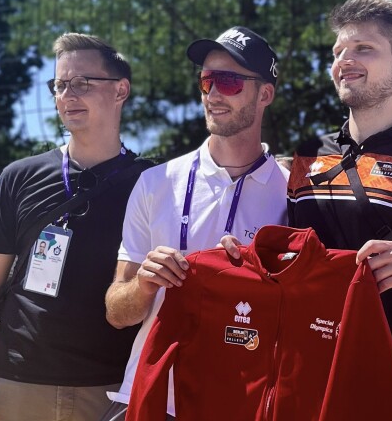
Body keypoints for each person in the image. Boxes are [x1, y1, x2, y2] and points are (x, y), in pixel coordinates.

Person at [221, 0, 392, 420]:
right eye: (338, 52)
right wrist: (246, 262)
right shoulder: (305, 157)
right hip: (308, 385)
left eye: (363, 49)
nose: (345, 61)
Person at [0, 33, 152, 421]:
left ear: (120, 90)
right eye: (60, 85)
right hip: (14, 382)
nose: (67, 95)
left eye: (82, 83)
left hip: (110, 389)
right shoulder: (19, 176)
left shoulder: (154, 183)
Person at [102, 26, 287, 421]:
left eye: (230, 81)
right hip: (151, 396)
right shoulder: (155, 182)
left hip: (242, 402)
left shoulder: (293, 193)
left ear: (265, 94)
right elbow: (117, 312)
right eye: (207, 81)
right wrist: (144, 284)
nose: (214, 93)